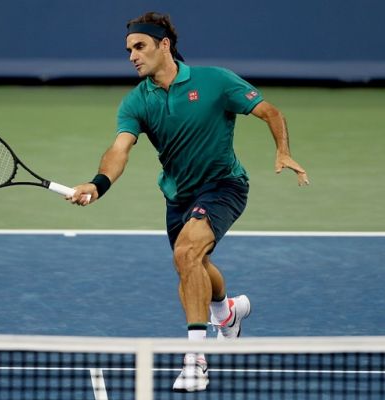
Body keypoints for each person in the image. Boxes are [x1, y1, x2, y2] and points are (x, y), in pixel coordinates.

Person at [68, 11, 309, 392]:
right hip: (178, 196)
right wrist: (99, 184)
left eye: (140, 46)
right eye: (129, 49)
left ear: (164, 45)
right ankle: (227, 313)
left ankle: (194, 360)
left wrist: (282, 150)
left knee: (186, 253)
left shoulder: (215, 80)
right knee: (193, 263)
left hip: (223, 186)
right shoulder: (136, 102)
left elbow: (269, 111)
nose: (132, 55)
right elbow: (120, 148)